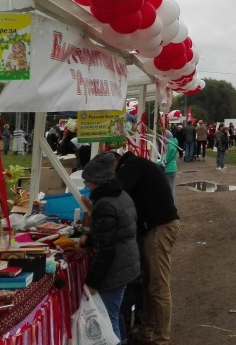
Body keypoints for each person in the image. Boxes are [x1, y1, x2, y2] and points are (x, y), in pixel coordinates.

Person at [115, 150, 180, 345]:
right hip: (158, 226)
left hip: (159, 228)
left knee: (158, 287)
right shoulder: (138, 164)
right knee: (150, 285)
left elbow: (118, 193)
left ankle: (161, 339)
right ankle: (146, 332)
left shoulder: (129, 167)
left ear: (115, 164)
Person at [78, 153, 139, 343]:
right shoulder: (121, 195)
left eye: (88, 181)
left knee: (108, 319)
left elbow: (106, 249)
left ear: (98, 181)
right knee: (115, 314)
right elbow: (115, 231)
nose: (87, 185)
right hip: (127, 263)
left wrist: (92, 283)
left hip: (115, 270)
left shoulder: (104, 204)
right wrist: (89, 239)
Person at [160, 130, 178, 201]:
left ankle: (172, 203)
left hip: (168, 170)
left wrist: (157, 163)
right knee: (171, 187)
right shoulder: (172, 144)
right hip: (172, 169)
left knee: (169, 188)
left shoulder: (169, 146)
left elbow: (166, 159)